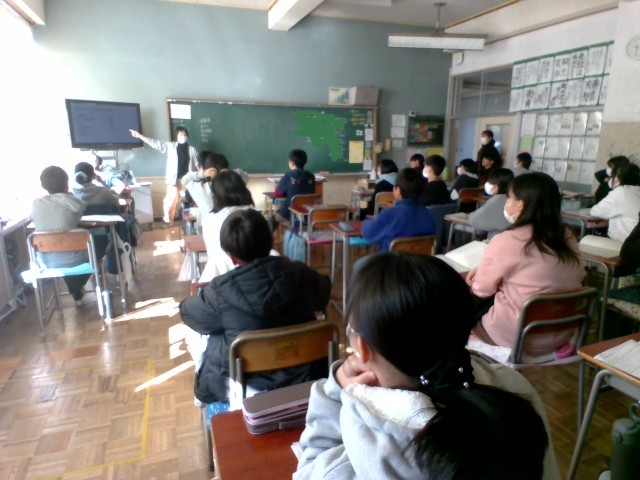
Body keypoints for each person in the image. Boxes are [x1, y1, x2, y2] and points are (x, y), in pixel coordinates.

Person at [295, 253, 555, 480]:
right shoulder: (517, 392)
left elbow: (308, 469)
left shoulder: (365, 451)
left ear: (361, 346)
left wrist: (335, 391)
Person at [179, 209, 331, 405]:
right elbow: (323, 293)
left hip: (246, 386)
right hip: (307, 374)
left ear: (232, 257)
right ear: (272, 241)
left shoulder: (219, 292)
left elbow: (189, 313)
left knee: (217, 333)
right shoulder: (302, 275)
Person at [466, 172, 585, 357]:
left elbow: (481, 291)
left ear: (520, 204)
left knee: (460, 303)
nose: (506, 202)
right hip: (561, 331)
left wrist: (481, 277)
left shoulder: (506, 240)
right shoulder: (566, 235)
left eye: (509, 198)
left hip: (517, 335)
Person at [30, 166, 90, 306]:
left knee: (63, 256)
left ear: (43, 186)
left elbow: (32, 218)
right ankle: (75, 288)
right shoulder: (73, 203)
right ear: (67, 185)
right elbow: (78, 217)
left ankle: (76, 291)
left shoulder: (36, 204)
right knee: (96, 250)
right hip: (76, 259)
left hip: (46, 262)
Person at [129, 126, 198, 226]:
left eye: (184, 134)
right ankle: (168, 221)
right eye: (180, 134)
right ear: (177, 136)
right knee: (169, 202)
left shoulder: (192, 150)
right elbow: (156, 144)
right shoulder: (171, 146)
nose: (182, 136)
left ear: (187, 136)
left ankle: (189, 223)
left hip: (187, 180)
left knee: (189, 200)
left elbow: (197, 164)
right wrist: (139, 136)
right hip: (174, 180)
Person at [199, 170, 255, 282]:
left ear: (215, 195)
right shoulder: (256, 216)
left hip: (220, 277)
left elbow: (212, 252)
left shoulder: (209, 220)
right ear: (243, 189)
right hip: (255, 277)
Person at [361, 168, 435, 252]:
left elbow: (368, 234)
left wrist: (367, 222)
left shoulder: (389, 214)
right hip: (421, 260)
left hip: (392, 260)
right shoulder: (428, 214)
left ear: (398, 190)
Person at [590, 162, 640, 242]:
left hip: (624, 243)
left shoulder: (621, 192)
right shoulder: (636, 190)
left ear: (617, 179)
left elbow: (595, 212)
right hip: (634, 243)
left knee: (587, 240)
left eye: (612, 176)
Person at [469, 168, 514, 240]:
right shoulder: (513, 198)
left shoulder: (497, 200)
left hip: (496, 240)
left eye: (490, 182)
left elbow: (474, 220)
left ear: (496, 185)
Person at [275, 149, 315, 222]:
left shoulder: (288, 176)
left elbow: (277, 194)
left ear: (292, 163)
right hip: (307, 215)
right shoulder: (311, 176)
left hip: (290, 215)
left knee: (274, 215)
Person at [181, 151, 217, 216]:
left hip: (204, 218)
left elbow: (184, 180)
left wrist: (203, 173)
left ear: (199, 165)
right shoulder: (222, 182)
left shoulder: (197, 185)